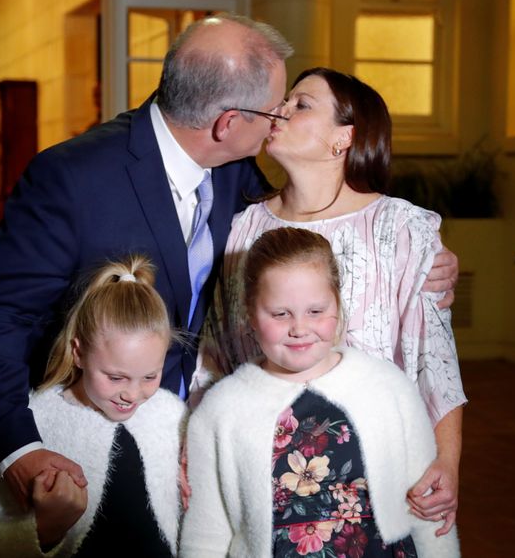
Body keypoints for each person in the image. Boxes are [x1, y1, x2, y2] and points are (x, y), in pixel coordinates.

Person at [0, 14, 457, 508]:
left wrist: (425, 263)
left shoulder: (237, 177)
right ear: (228, 123)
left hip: (200, 444)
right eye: (274, 111)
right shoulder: (72, 178)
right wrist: (19, 448)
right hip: (79, 440)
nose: (278, 119)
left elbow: (301, 231)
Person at [196, 67, 466, 534]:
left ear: (344, 138)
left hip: (376, 459)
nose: (280, 111)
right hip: (262, 460)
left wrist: (447, 460)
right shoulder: (243, 229)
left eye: (301, 105)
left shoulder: (401, 227)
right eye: (285, 102)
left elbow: (435, 362)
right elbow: (217, 354)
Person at [181, 227, 460, 557]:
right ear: (251, 314)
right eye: (280, 313)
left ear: (338, 304)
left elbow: (429, 514)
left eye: (315, 311)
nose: (299, 328)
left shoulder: (388, 388)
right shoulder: (220, 410)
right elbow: (205, 535)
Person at [0, 255, 184, 557]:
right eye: (115, 377)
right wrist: (46, 528)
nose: (133, 394)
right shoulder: (37, 419)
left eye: (150, 376)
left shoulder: (172, 415)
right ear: (78, 352)